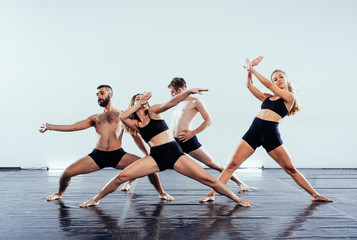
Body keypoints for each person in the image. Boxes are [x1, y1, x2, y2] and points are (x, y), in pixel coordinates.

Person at [79, 89, 251, 207]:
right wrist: (138, 103)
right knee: (121, 176)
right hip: (156, 157)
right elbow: (123, 115)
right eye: (139, 99)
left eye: (144, 99)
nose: (143, 100)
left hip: (174, 153)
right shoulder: (135, 123)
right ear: (134, 103)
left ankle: (236, 199)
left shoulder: (154, 112)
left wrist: (188, 91)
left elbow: (170, 102)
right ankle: (96, 199)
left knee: (209, 180)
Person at [200, 57, 333, 203]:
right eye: (275, 79)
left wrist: (253, 69)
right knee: (232, 165)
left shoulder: (289, 97)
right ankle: (211, 194)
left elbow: (268, 84)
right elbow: (249, 86)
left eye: (280, 77)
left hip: (270, 135)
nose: (278, 80)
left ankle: (314, 194)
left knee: (290, 169)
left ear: (286, 79)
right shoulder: (267, 98)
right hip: (253, 132)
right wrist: (249, 71)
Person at [40, 85, 173, 202]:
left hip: (118, 156)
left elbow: (136, 137)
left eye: (102, 93)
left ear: (111, 95)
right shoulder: (95, 118)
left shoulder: (123, 115)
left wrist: (146, 154)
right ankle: (59, 193)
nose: (99, 96)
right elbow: (73, 127)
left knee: (151, 170)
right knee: (67, 173)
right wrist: (50, 126)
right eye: (97, 94)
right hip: (97, 156)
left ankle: (161, 193)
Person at [168, 77, 250, 192]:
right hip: (173, 141)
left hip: (187, 140)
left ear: (180, 90)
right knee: (156, 161)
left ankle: (240, 182)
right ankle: (137, 182)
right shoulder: (176, 103)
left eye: (172, 92)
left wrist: (192, 133)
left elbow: (208, 121)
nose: (171, 95)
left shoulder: (195, 101)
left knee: (213, 164)